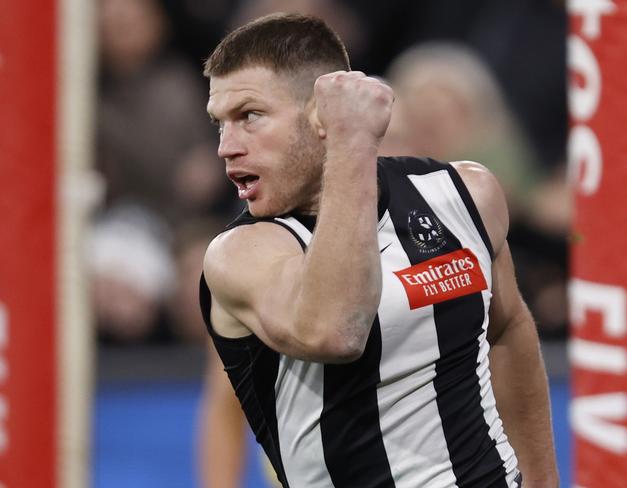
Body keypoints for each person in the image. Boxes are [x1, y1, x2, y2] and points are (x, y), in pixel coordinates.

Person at [199, 13, 558, 487]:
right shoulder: (240, 254)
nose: (226, 146)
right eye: (219, 124)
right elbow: (336, 330)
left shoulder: (464, 194)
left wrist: (543, 481)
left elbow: (509, 329)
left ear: (319, 115)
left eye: (248, 116)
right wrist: (350, 142)